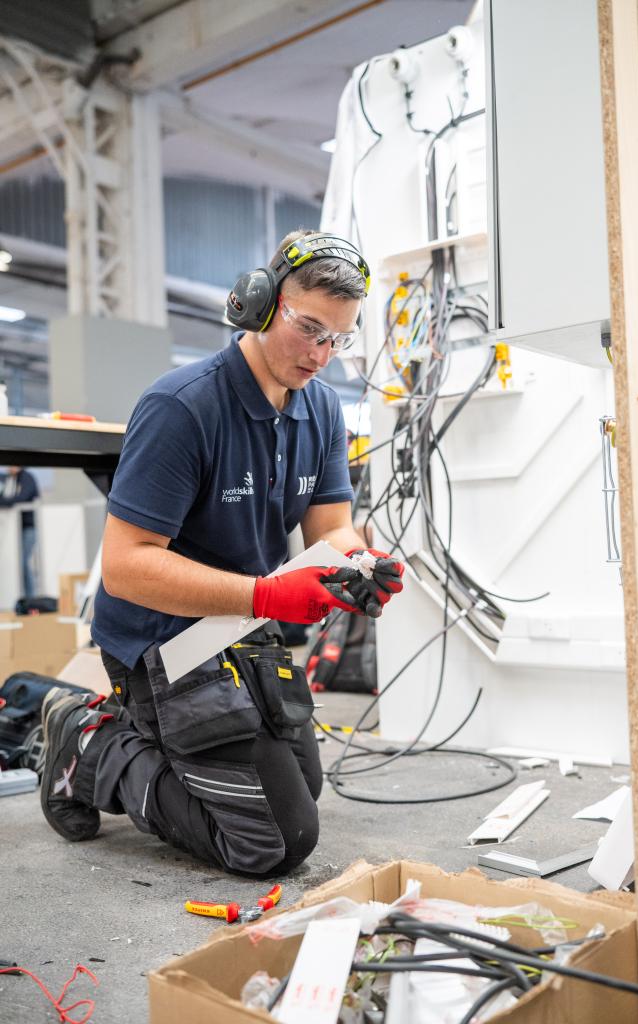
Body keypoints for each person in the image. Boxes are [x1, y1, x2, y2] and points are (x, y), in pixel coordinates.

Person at [39, 231, 404, 877]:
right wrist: (263, 595)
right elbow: (126, 566)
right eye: (307, 328)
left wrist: (359, 564)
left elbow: (331, 528)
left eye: (337, 339)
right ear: (259, 305)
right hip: (161, 645)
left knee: (300, 796)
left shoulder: (319, 407)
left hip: (240, 634)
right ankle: (90, 742)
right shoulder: (182, 406)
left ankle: (160, 743)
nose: (320, 355)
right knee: (271, 843)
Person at [0, 465, 40, 597]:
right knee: (18, 564)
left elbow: (21, 497)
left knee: (23, 563)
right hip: (14, 529)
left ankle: (30, 597)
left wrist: (5, 501)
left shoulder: (26, 478)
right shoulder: (8, 479)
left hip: (27, 528)